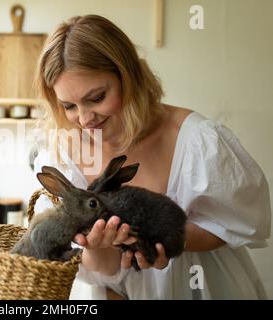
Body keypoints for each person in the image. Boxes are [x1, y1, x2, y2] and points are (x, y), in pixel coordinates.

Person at [32, 14, 271, 299]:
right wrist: (102, 246)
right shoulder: (63, 151)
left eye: (96, 98)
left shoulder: (195, 139)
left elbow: (238, 223)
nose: (84, 119)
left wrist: (168, 240)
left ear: (127, 76)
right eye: (69, 105)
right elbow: (95, 269)